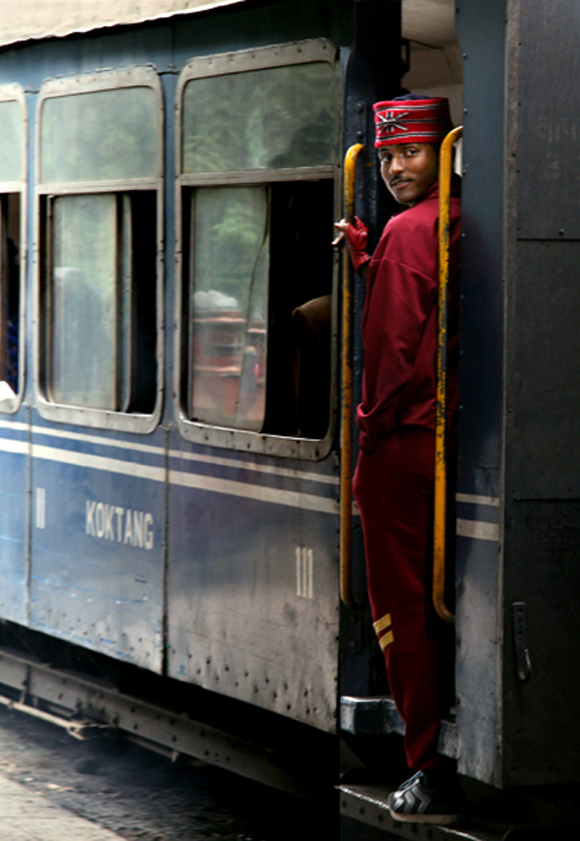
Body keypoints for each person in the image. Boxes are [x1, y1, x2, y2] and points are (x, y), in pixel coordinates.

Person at [335, 95, 464, 824]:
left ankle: (428, 766)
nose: (393, 168)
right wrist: (368, 256)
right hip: (447, 443)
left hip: (400, 447)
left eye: (410, 152)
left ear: (441, 153)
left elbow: (386, 353)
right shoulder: (455, 222)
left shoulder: (408, 230)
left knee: (398, 611)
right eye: (386, 157)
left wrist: (366, 434)